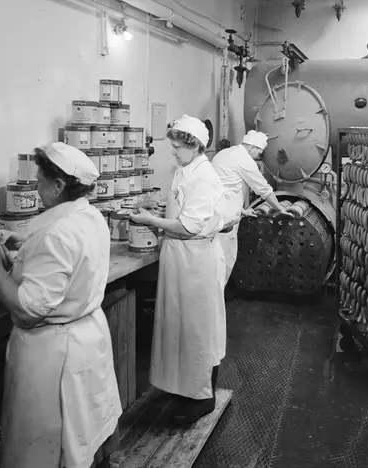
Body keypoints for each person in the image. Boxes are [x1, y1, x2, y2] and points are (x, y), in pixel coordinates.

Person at [0, 142, 122, 468]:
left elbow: (27, 309)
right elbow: (66, 260)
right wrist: (26, 246)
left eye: (40, 182)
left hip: (54, 351)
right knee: (84, 436)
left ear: (58, 186)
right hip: (86, 334)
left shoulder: (56, 233)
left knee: (50, 448)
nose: (36, 189)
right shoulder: (91, 216)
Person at [129, 115, 226, 426]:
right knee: (180, 326)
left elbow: (187, 227)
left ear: (194, 145)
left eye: (177, 146)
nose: (172, 151)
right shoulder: (185, 169)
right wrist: (161, 211)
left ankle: (202, 397)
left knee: (196, 328)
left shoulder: (204, 176)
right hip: (181, 258)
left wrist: (151, 221)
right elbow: (183, 211)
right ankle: (185, 388)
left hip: (195, 261)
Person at [211, 129, 291, 285]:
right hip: (225, 223)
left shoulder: (225, 154)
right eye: (259, 151)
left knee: (214, 265)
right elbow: (263, 189)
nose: (259, 155)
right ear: (252, 147)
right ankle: (216, 298)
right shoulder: (244, 160)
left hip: (215, 216)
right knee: (223, 265)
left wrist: (242, 211)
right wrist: (280, 208)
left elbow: (224, 188)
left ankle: (214, 296)